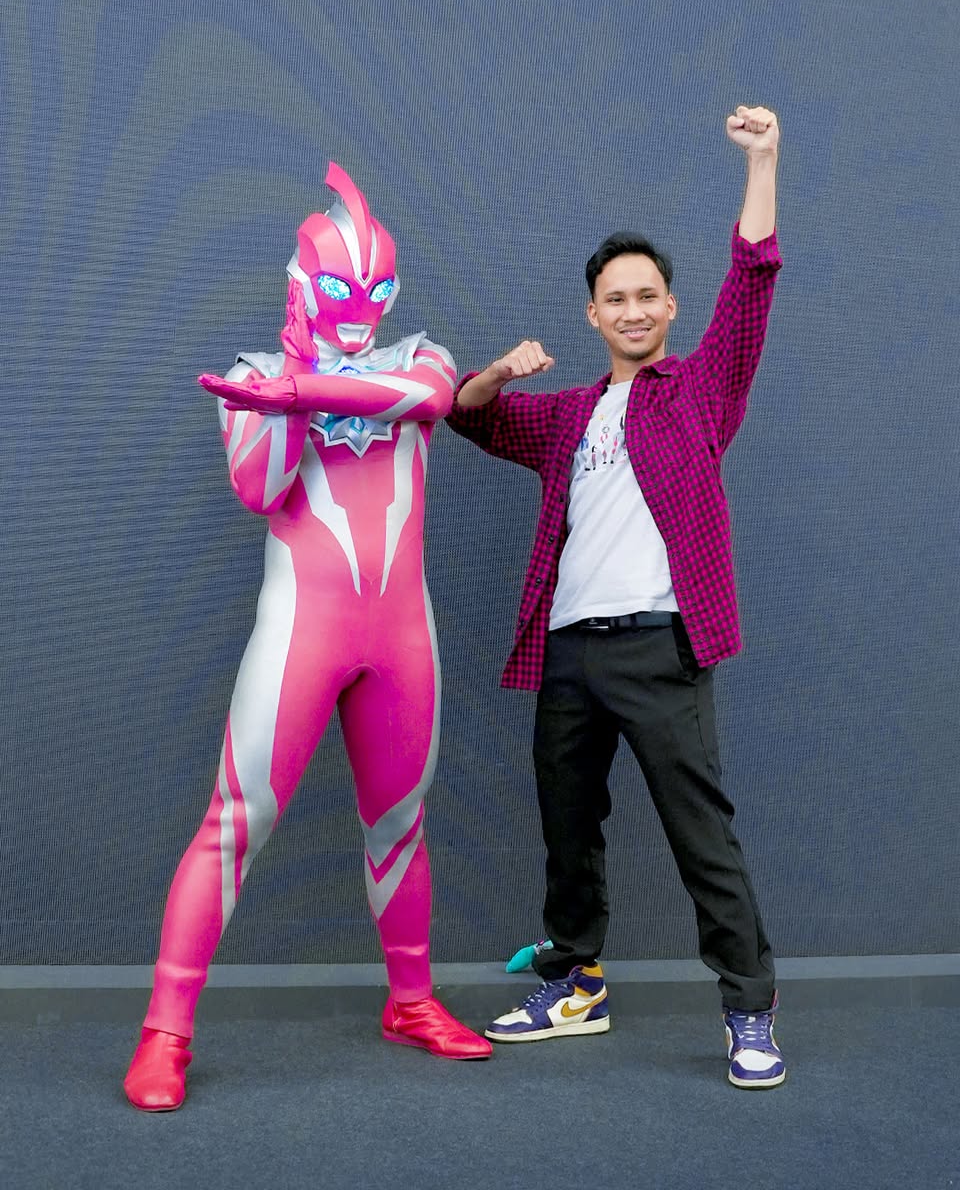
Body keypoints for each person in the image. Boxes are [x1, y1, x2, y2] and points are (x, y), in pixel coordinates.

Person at [124, 162, 491, 1112]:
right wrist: (289, 390)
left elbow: (432, 403)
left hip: (402, 636)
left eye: (376, 288)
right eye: (338, 285)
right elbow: (262, 490)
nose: (361, 305)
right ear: (300, 281)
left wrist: (310, 390)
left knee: (402, 825)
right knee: (235, 823)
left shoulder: (421, 355)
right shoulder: (254, 378)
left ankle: (411, 1001)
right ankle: (165, 1032)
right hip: (304, 632)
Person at [445, 107, 784, 1088]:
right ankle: (575, 981)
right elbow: (470, 418)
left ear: (669, 308)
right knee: (568, 831)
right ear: (591, 314)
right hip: (568, 654)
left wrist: (761, 162)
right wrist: (497, 374)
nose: (632, 311)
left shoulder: (701, 392)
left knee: (700, 838)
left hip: (659, 650)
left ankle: (749, 1011)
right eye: (614, 298)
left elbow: (754, 283)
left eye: (647, 296)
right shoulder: (568, 417)